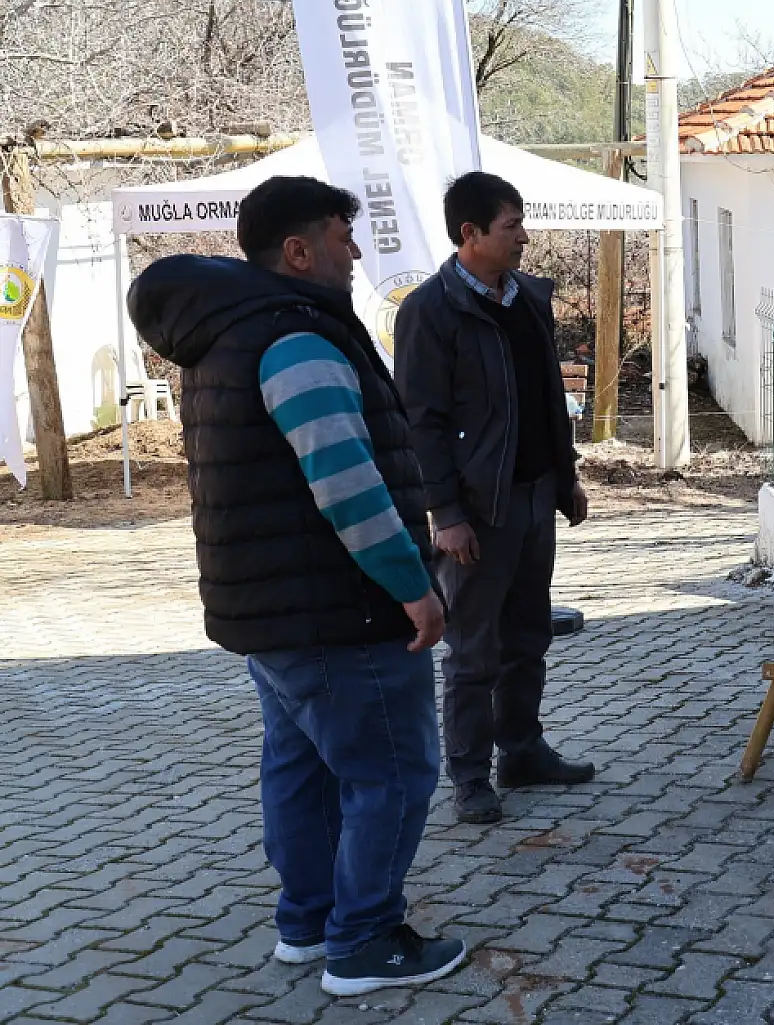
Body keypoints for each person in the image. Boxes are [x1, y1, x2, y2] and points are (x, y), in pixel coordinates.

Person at [127, 177, 465, 996]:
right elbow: (346, 483)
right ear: (298, 250)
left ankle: (308, 921)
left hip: (274, 614)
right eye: (342, 237)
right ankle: (364, 940)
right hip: (340, 612)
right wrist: (414, 585)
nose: (356, 252)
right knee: (394, 772)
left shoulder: (228, 336)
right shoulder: (296, 337)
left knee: (302, 767)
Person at [393, 171, 593, 827]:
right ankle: (471, 776)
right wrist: (446, 514)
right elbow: (421, 423)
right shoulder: (429, 311)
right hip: (477, 513)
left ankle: (523, 751)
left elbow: (546, 401)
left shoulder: (529, 298)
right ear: (469, 233)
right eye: (512, 226)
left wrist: (565, 478)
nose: (524, 237)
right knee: (474, 652)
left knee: (528, 638)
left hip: (535, 499)